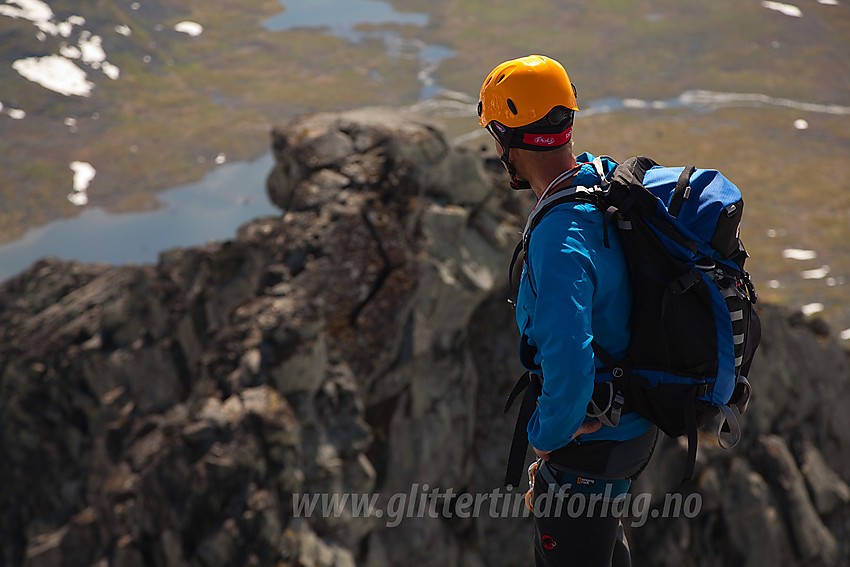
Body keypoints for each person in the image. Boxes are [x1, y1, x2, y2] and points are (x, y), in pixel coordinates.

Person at [478, 54, 658, 566]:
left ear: (505, 139)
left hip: (590, 450)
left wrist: (547, 436)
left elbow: (569, 357)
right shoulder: (599, 182)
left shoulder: (558, 240)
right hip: (627, 432)